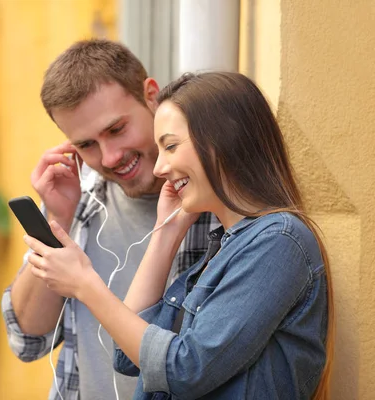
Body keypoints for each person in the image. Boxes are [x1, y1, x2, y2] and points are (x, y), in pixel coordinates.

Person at [24, 72, 334, 399]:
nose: (160, 168)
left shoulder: (278, 241)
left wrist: (85, 284)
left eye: (170, 146)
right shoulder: (219, 250)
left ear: (223, 140)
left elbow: (186, 369)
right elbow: (126, 354)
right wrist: (166, 232)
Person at [1, 40, 220, 400]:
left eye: (117, 129)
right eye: (86, 145)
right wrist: (58, 216)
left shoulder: (214, 206)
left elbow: (196, 365)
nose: (110, 157)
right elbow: (27, 339)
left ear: (151, 95)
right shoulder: (81, 200)